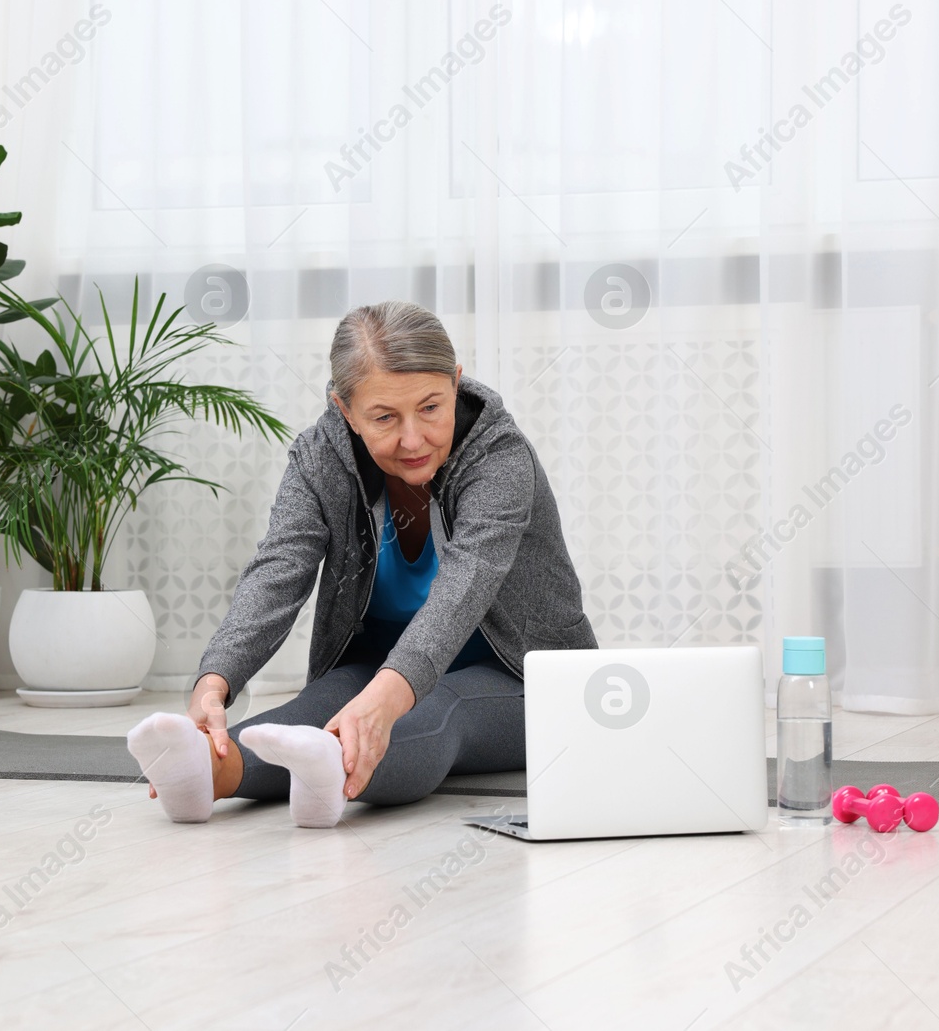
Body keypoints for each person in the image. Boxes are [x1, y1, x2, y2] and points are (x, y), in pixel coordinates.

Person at [127, 301, 596, 827]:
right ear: (346, 410)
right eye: (384, 418)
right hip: (379, 667)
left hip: (528, 680)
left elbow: (462, 591)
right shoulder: (320, 458)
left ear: (456, 383)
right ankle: (207, 774)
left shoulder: (500, 460)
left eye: (430, 408)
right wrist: (212, 686)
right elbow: (279, 571)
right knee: (314, 706)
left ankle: (329, 763)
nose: (413, 439)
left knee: (440, 708)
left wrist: (383, 701)